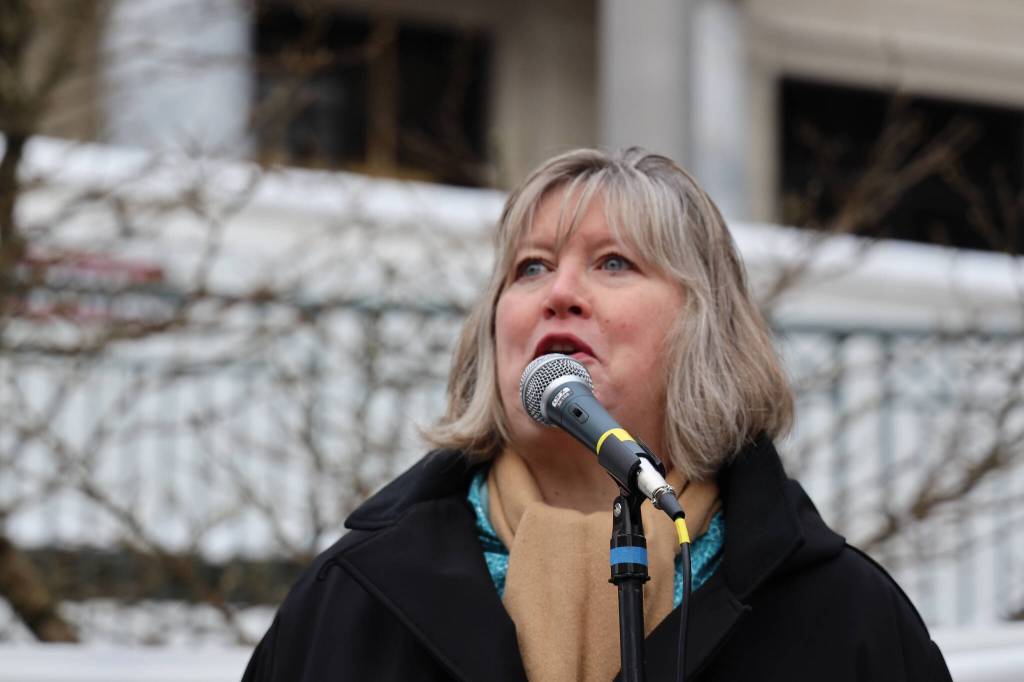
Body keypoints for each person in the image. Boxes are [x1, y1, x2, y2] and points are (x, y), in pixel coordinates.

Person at [242, 148, 953, 681]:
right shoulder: (350, 600)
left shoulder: (845, 618)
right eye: (530, 267)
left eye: (613, 263)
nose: (560, 293)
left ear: (703, 328)